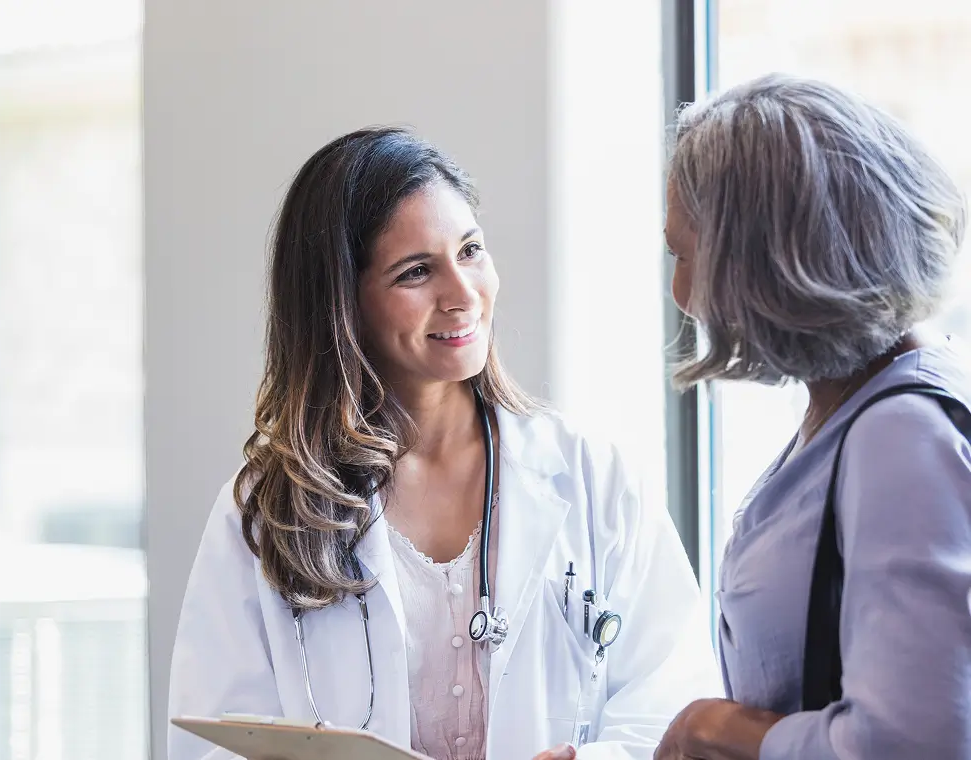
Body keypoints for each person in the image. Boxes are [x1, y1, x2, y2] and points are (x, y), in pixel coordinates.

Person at [168, 126, 721, 760]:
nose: (462, 295)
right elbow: (213, 742)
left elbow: (673, 704)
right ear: (343, 304)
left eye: (470, 251)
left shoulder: (592, 478)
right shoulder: (263, 511)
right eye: (415, 272)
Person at [655, 74, 971, 759]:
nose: (680, 293)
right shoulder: (863, 405)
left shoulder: (901, 436)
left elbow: (913, 742)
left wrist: (710, 729)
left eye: (680, 253)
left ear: (764, 266)